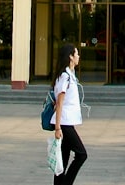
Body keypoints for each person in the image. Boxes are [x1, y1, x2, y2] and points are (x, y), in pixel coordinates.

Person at [52, 43, 88, 184]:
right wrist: (57, 128)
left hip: (67, 122)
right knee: (81, 154)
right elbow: (59, 103)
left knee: (63, 159)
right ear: (70, 57)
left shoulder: (70, 75)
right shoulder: (65, 77)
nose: (78, 56)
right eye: (76, 54)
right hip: (64, 124)